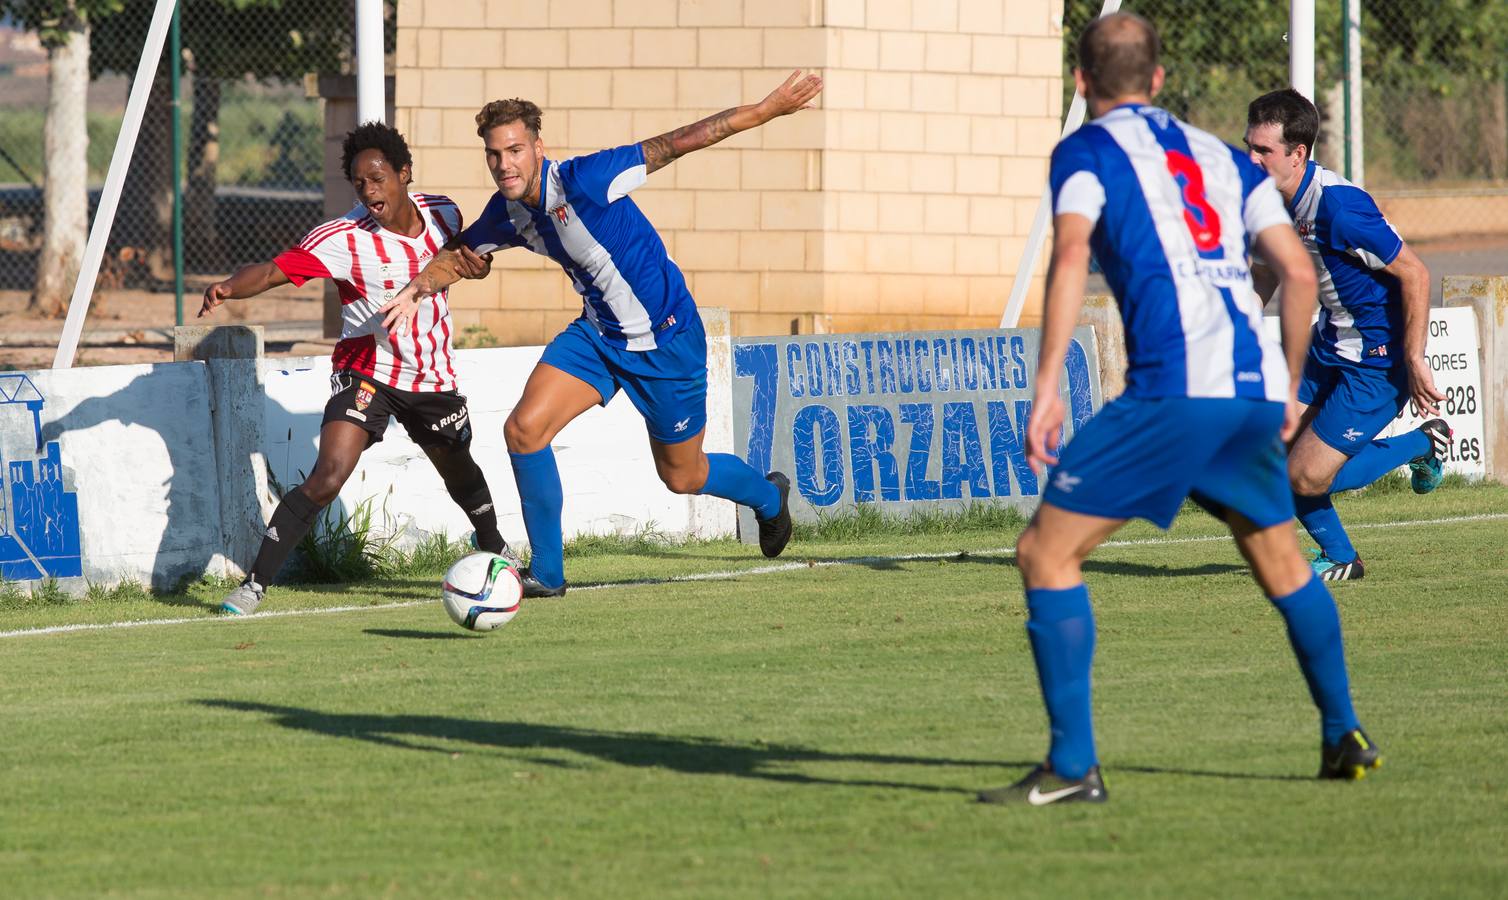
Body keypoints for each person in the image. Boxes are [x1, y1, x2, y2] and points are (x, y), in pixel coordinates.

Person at [978, 13, 1381, 806]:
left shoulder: (1084, 152)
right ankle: (1343, 733)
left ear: (1081, 81)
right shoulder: (1224, 157)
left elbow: (1068, 255)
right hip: (1246, 392)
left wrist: (1048, 382)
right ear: (1160, 80)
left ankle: (1071, 767)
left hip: (1172, 391)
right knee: (1281, 561)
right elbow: (1297, 277)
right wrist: (1289, 387)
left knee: (1045, 555)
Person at [379, 73, 823, 597]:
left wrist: (767, 110)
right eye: (494, 154)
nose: (504, 164)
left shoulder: (588, 179)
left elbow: (683, 140)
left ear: (538, 147)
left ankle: (768, 499)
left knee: (682, 476)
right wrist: (416, 290)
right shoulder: (507, 212)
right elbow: (458, 257)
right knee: (524, 431)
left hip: (667, 342)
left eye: (515, 150)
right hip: (598, 338)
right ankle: (547, 574)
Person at [201, 122, 513, 615]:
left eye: (378, 177)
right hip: (367, 371)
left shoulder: (444, 213)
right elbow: (272, 271)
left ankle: (497, 548)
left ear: (404, 173)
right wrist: (227, 288)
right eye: (359, 182)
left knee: (458, 467)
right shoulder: (342, 238)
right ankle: (254, 585)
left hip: (431, 375)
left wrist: (481, 267)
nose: (369, 191)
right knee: (328, 474)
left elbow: (472, 260)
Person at [1245, 88, 1451, 581]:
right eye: (1247, 146)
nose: (1250, 159)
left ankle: (1422, 444)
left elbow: (1415, 272)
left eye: (1263, 151)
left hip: (1378, 363)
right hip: (1329, 345)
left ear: (1298, 154)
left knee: (1305, 475)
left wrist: (1416, 358)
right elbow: (1265, 273)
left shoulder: (1338, 209)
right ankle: (1341, 556)